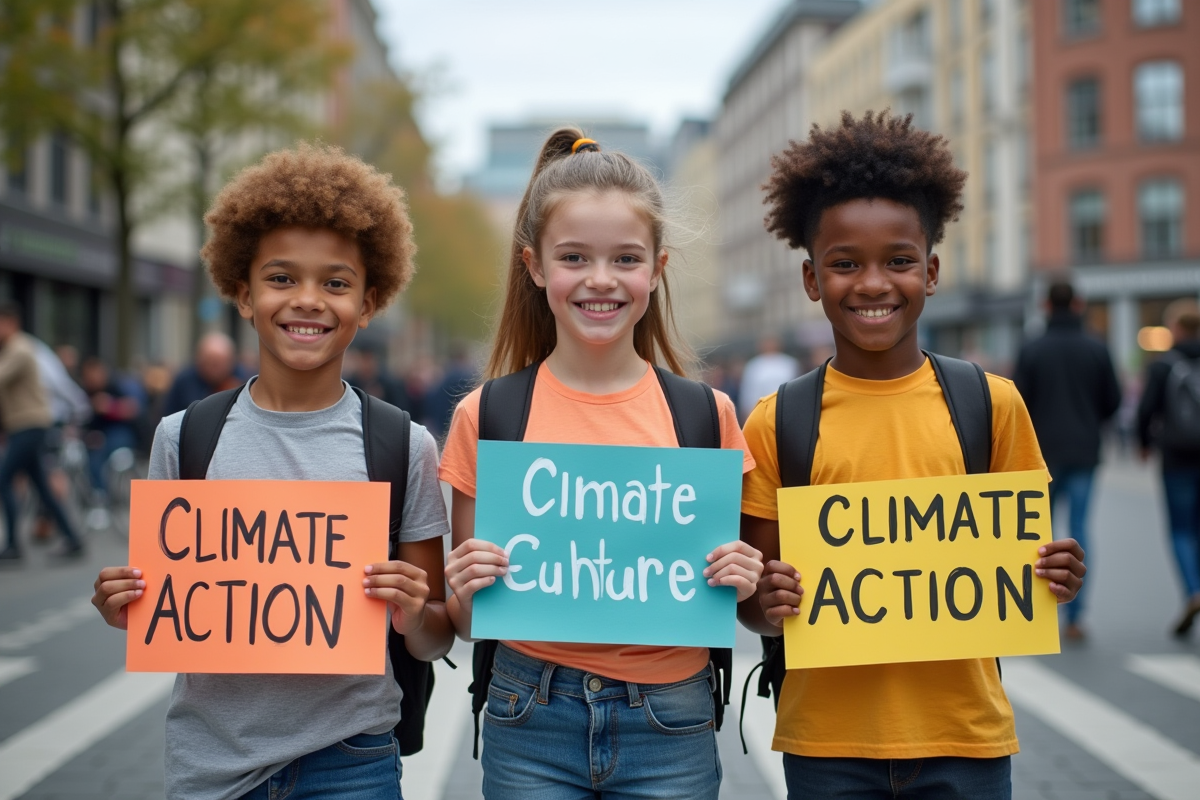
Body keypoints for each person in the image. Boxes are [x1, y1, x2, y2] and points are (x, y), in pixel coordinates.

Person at [737, 111, 1086, 798]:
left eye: (898, 261)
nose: (873, 284)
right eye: (845, 265)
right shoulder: (778, 421)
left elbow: (1016, 567)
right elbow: (754, 605)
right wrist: (764, 598)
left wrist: (1058, 572)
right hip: (826, 744)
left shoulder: (992, 404)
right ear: (812, 280)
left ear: (930, 271)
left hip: (966, 737)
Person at [90, 143, 454, 799]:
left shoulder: (404, 446)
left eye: (336, 283)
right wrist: (128, 606)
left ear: (369, 303)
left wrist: (413, 613)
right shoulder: (185, 438)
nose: (307, 301)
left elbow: (431, 640)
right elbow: (175, 600)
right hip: (211, 764)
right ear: (242, 293)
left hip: (353, 763)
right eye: (281, 278)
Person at [438, 129, 763, 799]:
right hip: (529, 711)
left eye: (625, 258)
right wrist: (464, 586)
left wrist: (745, 575)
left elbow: (744, 598)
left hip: (671, 716)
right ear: (534, 267)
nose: (600, 279)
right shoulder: (488, 416)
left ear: (657, 268)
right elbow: (470, 624)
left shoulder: (707, 418)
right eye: (574, 257)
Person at [1014, 281, 1120, 641]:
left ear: (1045, 305)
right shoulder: (1096, 347)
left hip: (1039, 452)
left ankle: (1039, 610)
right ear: (1078, 304)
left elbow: (1017, 403)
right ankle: (1075, 615)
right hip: (1084, 450)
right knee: (1078, 529)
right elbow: (1113, 402)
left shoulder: (1031, 349)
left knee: (1038, 534)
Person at [0, 302, 84, 559]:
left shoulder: (20, 349)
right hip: (25, 426)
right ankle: (72, 539)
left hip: (29, 426)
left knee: (4, 479)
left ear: (11, 322)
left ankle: (13, 544)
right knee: (42, 487)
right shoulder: (15, 349)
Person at [1136, 298, 1200, 637]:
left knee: (1181, 529)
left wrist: (1143, 443)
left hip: (1176, 457)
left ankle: (1193, 590)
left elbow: (1147, 409)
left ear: (1176, 329)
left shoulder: (1164, 365)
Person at [78, 357, 141, 496]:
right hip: (96, 434)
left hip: (118, 432)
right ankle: (98, 495)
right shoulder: (83, 392)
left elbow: (133, 409)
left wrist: (109, 407)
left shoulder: (115, 386)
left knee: (103, 456)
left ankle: (104, 496)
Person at [163, 331, 247, 416]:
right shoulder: (184, 381)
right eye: (209, 362)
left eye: (220, 362)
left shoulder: (243, 381)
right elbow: (169, 412)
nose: (215, 369)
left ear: (231, 361)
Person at [738, 336, 799, 420]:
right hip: (761, 411)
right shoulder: (753, 365)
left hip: (786, 409)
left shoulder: (790, 363)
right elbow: (749, 392)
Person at [346, 346, 413, 412]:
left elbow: (401, 410)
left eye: (369, 360)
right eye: (363, 360)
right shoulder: (349, 385)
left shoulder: (390, 385)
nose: (366, 365)